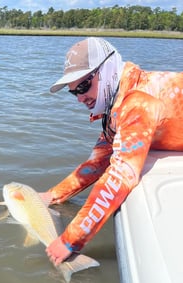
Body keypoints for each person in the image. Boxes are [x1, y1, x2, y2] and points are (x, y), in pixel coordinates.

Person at [43, 37, 183, 266]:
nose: (79, 98)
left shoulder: (138, 103)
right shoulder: (115, 107)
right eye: (73, 92)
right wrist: (52, 196)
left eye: (83, 86)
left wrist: (71, 240)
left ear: (107, 70)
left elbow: (121, 175)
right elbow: (98, 162)